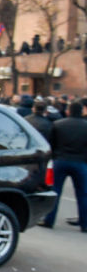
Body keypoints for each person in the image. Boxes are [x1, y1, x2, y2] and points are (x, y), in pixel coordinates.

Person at [40, 99, 87, 231]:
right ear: (82, 111)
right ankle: (85, 223)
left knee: (55, 191)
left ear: (68, 111)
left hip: (60, 161)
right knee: (83, 194)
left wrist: (54, 157)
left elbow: (51, 144)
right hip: (81, 163)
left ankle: (49, 220)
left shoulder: (58, 124)